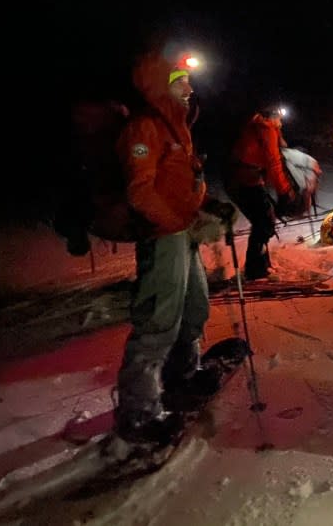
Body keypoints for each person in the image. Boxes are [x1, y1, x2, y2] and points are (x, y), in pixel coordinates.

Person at [114, 47, 237, 444]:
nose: (189, 87)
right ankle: (138, 411)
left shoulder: (177, 127)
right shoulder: (145, 128)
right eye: (181, 81)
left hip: (182, 233)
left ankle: (184, 371)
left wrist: (208, 205)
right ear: (160, 87)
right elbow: (140, 193)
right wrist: (183, 222)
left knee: (194, 306)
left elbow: (181, 185)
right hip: (162, 236)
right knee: (158, 321)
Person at [226, 104, 297, 281]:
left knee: (265, 219)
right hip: (242, 180)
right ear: (272, 116)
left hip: (244, 178)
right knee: (264, 222)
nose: (281, 121)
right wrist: (284, 191)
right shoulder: (266, 129)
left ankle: (261, 264)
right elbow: (273, 162)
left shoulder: (263, 126)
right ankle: (255, 270)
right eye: (279, 116)